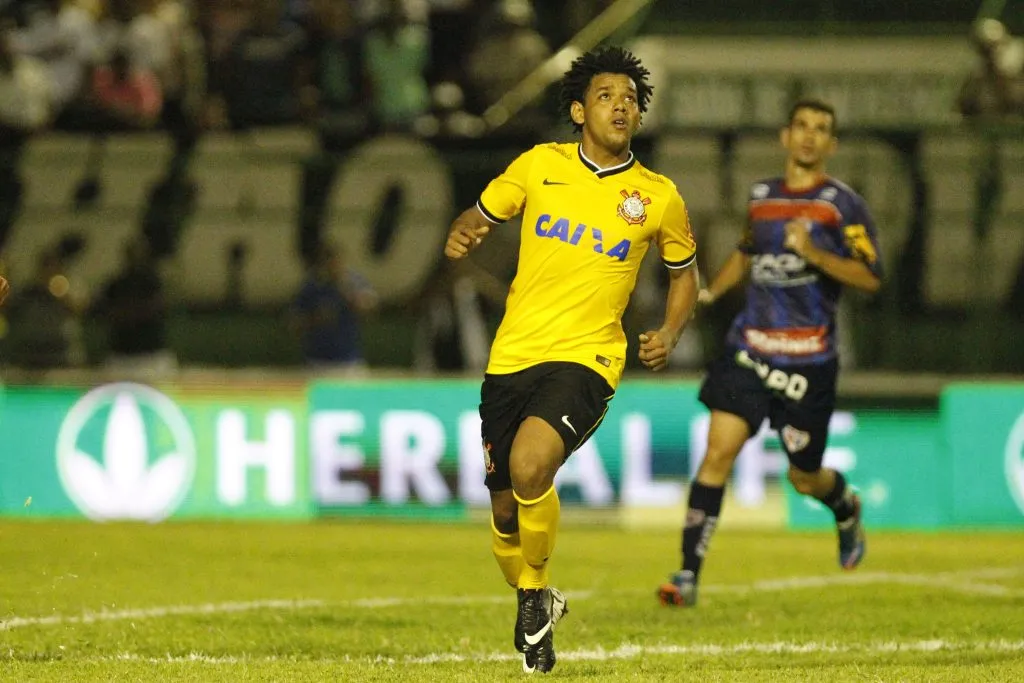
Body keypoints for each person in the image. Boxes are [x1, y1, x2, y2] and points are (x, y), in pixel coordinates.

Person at [444, 46, 699, 673]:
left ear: (639, 118)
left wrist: (669, 328)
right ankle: (536, 595)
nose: (622, 105)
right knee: (504, 510)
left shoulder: (657, 197)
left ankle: (533, 599)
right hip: (512, 356)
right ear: (580, 110)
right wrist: (464, 228)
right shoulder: (539, 166)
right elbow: (481, 213)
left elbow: (684, 275)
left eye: (631, 99)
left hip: (587, 358)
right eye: (608, 96)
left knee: (532, 466)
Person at [656, 98, 883, 608]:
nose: (809, 136)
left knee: (804, 477)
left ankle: (844, 504)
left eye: (821, 129)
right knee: (717, 454)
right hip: (750, 349)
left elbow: (871, 276)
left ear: (832, 144)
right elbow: (747, 249)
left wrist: (816, 254)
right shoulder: (762, 196)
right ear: (785, 136)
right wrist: (711, 292)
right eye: (801, 126)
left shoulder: (841, 205)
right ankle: (687, 575)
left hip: (808, 362)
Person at [290, 241, 378, 374]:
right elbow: (293, 323)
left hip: (349, 362)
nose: (332, 266)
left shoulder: (355, 281)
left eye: (335, 261)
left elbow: (370, 307)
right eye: (327, 261)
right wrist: (316, 318)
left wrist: (346, 292)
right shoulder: (312, 286)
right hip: (317, 363)